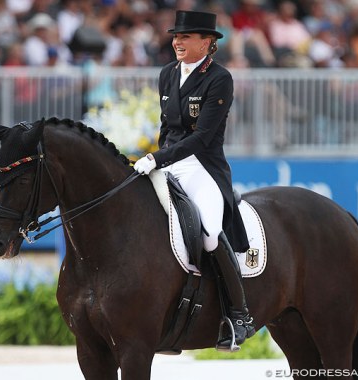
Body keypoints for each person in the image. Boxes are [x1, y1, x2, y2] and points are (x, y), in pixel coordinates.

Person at [133, 9, 255, 350]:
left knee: (210, 234)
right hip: (169, 163)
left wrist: (157, 158)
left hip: (203, 166)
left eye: (185, 37)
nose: (177, 42)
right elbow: (166, 126)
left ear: (208, 42)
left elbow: (202, 137)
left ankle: (239, 315)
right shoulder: (167, 74)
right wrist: (158, 160)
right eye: (176, 37)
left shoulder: (220, 78)